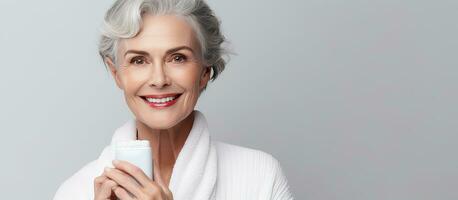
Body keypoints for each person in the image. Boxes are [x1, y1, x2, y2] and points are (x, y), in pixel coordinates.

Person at [53, 0, 294, 199]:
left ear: (205, 71)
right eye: (139, 60)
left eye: (178, 58)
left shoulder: (260, 177)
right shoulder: (74, 192)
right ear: (116, 73)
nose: (159, 79)